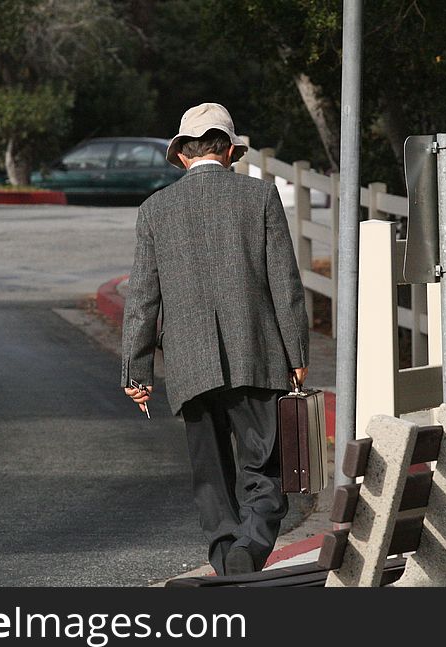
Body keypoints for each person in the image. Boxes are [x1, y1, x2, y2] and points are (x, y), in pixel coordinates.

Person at [120, 102, 309, 576]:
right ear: (228, 150)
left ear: (183, 155)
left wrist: (137, 371)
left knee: (210, 472)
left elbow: (142, 297)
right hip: (258, 354)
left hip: (188, 363)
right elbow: (284, 283)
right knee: (265, 466)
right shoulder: (260, 198)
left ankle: (227, 559)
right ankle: (252, 544)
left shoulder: (154, 210)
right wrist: (297, 353)